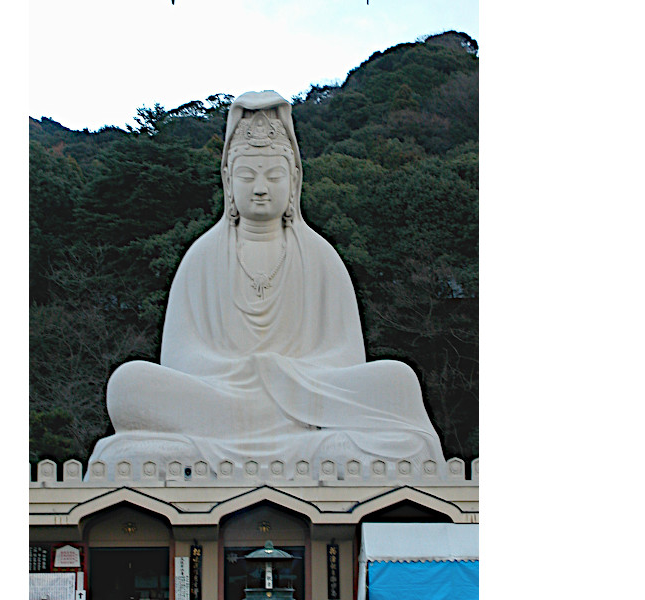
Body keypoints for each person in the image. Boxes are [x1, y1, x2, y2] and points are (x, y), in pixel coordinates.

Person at [87, 91, 444, 478]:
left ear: (292, 181)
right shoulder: (201, 257)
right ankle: (309, 447)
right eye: (247, 175)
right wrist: (250, 373)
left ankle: (248, 444)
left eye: (273, 176)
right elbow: (179, 359)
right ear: (228, 180)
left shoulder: (320, 256)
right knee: (128, 383)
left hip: (305, 398)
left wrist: (283, 374)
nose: (260, 188)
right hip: (226, 399)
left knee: (398, 381)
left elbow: (347, 357)